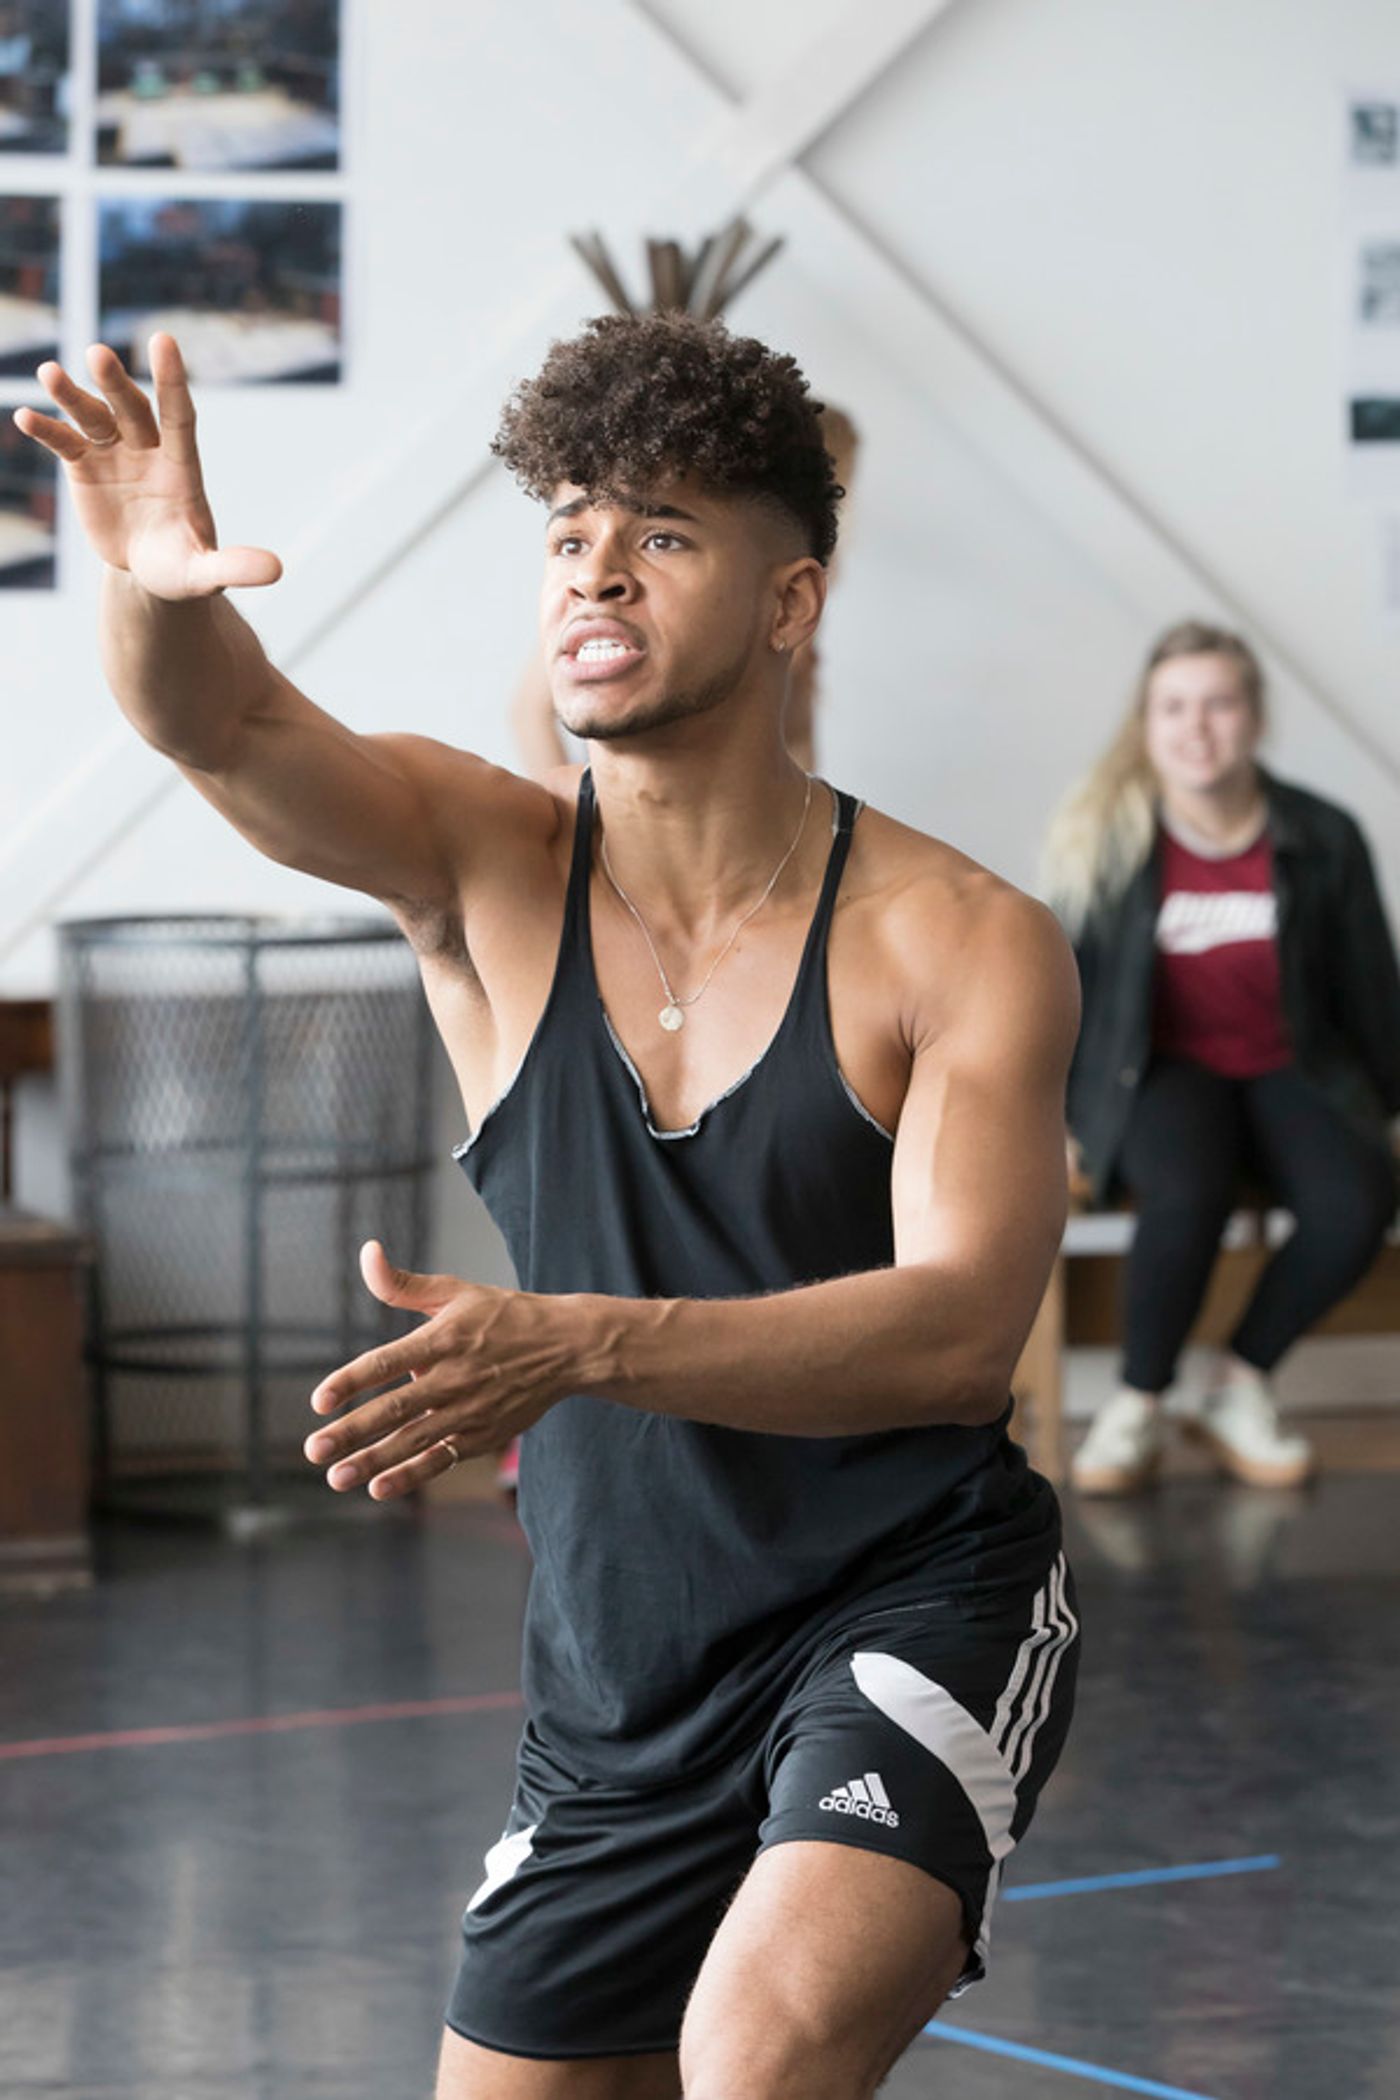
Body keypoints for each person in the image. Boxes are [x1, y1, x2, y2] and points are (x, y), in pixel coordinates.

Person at [17, 312, 1079, 2100]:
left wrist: (581, 1339)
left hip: (909, 1595)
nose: (596, 569)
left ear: (790, 605)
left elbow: (965, 1333)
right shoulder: (479, 862)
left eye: (662, 535)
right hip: (621, 1659)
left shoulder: (956, 939)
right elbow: (224, 720)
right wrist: (150, 582)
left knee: (751, 2056)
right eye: (571, 532)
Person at [1043, 621, 1400, 1498]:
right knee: (1187, 1192)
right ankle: (1139, 1400)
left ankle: (1238, 1383)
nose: (1196, 727)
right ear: (1147, 723)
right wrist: (1056, 1120)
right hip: (1159, 1073)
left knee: (1358, 1202)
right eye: (1174, 707)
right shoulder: (1111, 839)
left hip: (1297, 1065)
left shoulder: (1323, 836)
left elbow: (1373, 988)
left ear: (1255, 717)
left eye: (1219, 703)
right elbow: (1066, 997)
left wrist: (1391, 1112)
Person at [512, 402, 859, 781]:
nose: (593, 578)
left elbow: (796, 734)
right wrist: (577, 821)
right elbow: (529, 711)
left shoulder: (792, 593)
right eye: (572, 545)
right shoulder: (590, 619)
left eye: (662, 541)